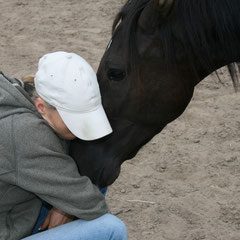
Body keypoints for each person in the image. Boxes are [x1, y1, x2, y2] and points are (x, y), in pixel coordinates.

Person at [0, 51, 128, 240]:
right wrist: (67, 206)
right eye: (72, 119)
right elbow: (94, 206)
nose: (79, 130)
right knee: (111, 229)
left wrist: (62, 207)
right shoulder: (26, 134)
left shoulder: (18, 97)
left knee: (94, 170)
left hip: (18, 213)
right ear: (41, 107)